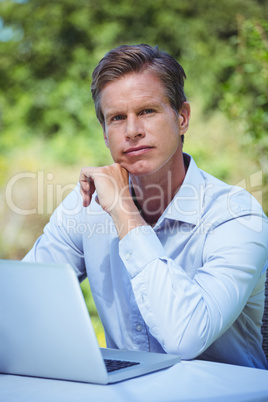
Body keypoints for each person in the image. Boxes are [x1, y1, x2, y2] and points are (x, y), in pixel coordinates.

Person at [23, 44, 268, 369]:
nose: (132, 130)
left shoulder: (236, 215)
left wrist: (124, 212)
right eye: (117, 118)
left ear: (182, 118)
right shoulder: (84, 207)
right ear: (105, 134)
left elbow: (185, 337)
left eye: (148, 111)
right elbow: (22, 300)